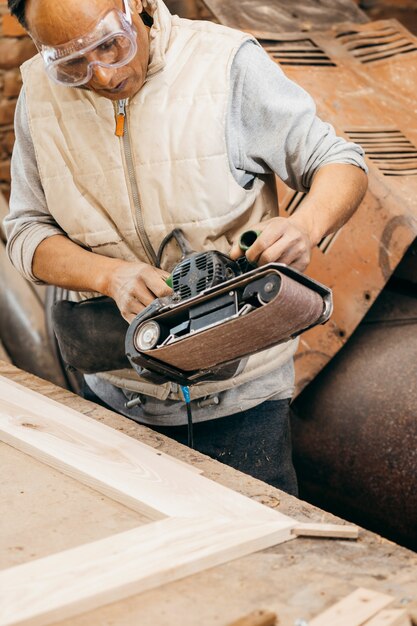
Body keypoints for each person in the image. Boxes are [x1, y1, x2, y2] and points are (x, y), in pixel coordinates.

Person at [4, 0, 368, 496]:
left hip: (239, 403)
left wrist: (304, 224)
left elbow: (339, 161)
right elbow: (26, 232)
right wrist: (108, 276)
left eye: (111, 44)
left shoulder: (223, 64)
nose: (104, 75)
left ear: (140, 6)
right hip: (114, 397)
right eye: (73, 62)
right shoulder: (41, 96)